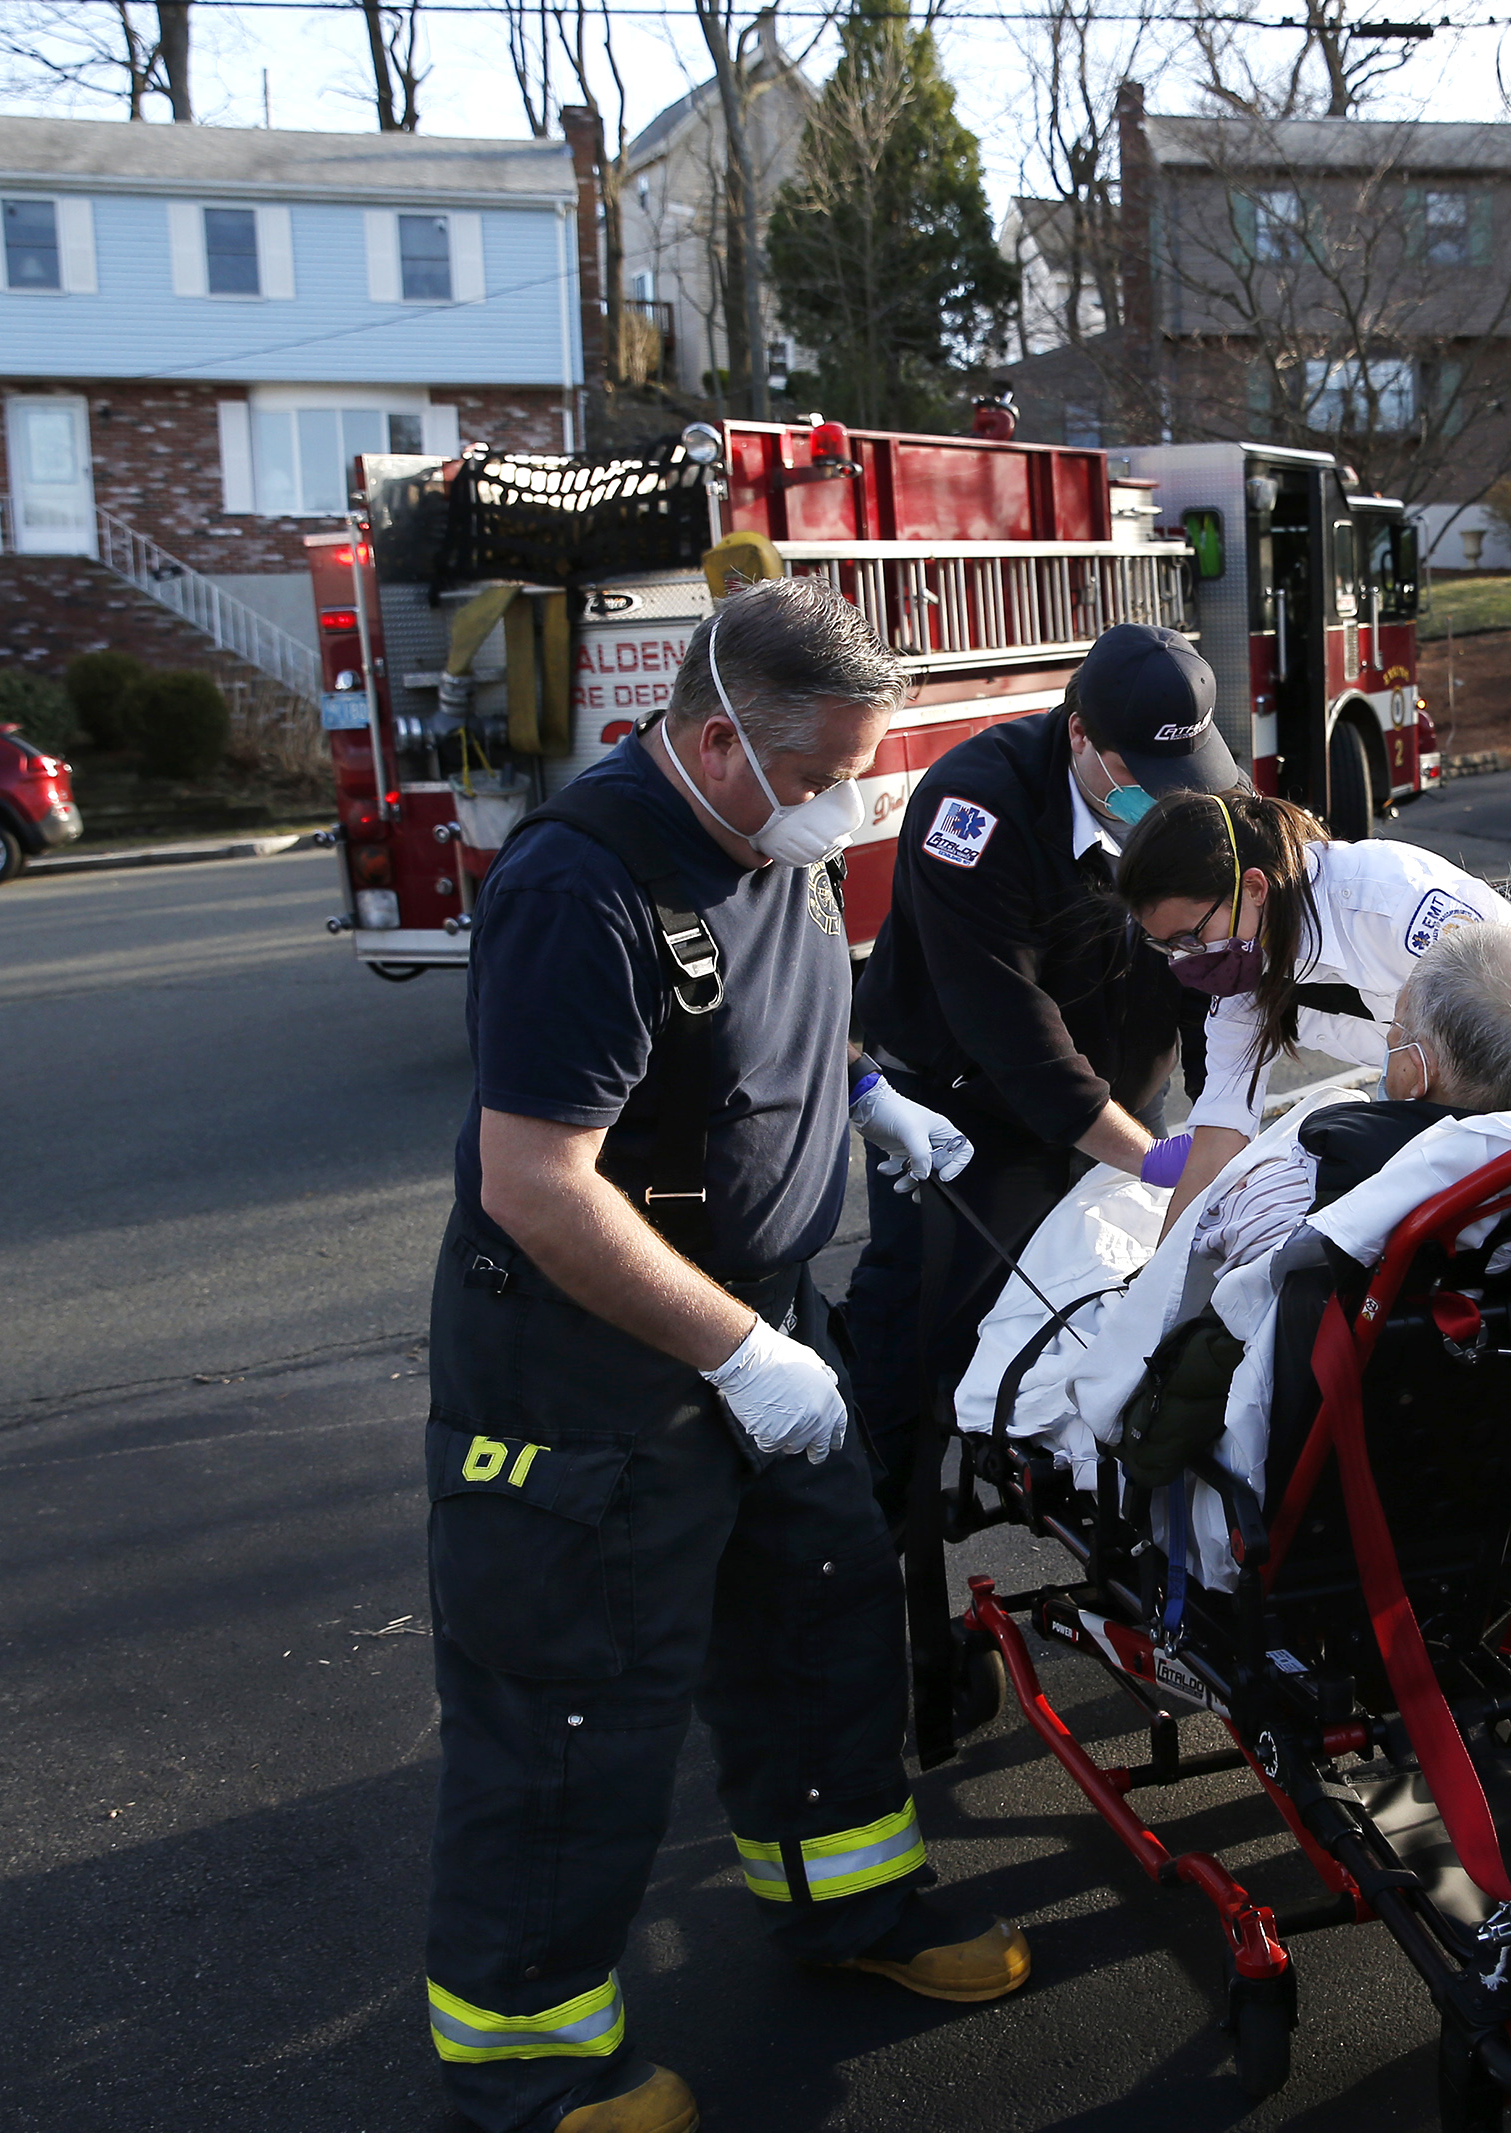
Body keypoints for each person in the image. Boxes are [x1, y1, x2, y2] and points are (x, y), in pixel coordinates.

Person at [423, 580, 1028, 2133]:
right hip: (590, 1362)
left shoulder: (772, 841)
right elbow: (538, 1186)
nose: (845, 811)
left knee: (819, 1621)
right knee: (574, 1700)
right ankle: (533, 2063)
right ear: (712, 739)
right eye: (827, 780)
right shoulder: (584, 884)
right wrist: (742, 1353)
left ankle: (847, 1906)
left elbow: (779, 1020)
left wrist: (868, 1093)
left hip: (763, 1311)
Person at [846, 621, 1231, 1507]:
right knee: (935, 1319)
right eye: (1139, 777)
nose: (1162, 802)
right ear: (1080, 736)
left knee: (1117, 1298)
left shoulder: (1191, 786)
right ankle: (882, 1528)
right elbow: (1006, 1025)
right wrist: (1147, 1158)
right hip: (965, 1104)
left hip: (1123, 1091)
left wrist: (1221, 1120)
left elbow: (1214, 973)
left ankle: (1103, 1503)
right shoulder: (973, 809)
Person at [1114, 791, 1511, 1223]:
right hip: (1438, 1110)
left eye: (1191, 937)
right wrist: (1154, 1289)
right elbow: (1221, 1135)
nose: (1186, 961)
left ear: (1254, 889)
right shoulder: (1245, 968)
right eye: (1168, 948)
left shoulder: (1398, 908)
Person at [1190, 909, 1511, 1271]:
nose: (1389, 1044)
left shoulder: (1311, 1179)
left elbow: (1206, 1260)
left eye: (1394, 1032)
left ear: (1418, 1071)